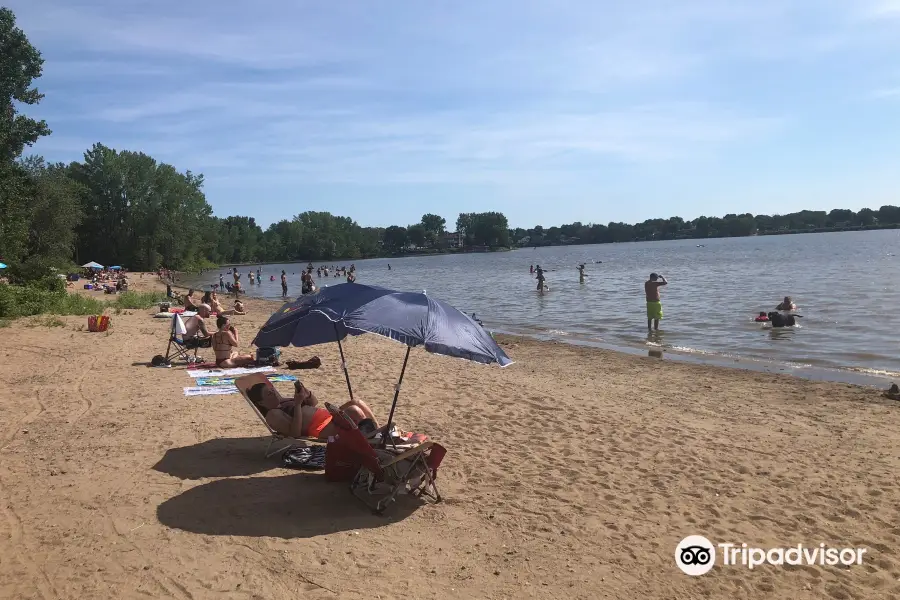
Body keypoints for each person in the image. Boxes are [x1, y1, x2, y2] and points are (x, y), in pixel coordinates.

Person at [246, 379, 379, 440]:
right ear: (261, 402)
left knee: (356, 402)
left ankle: (377, 431)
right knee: (353, 410)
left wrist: (307, 394)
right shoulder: (273, 414)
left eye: (272, 390)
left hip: (328, 416)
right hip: (321, 428)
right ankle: (370, 437)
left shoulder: (282, 401)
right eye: (269, 394)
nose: (274, 393)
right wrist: (297, 404)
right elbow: (295, 433)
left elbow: (314, 403)